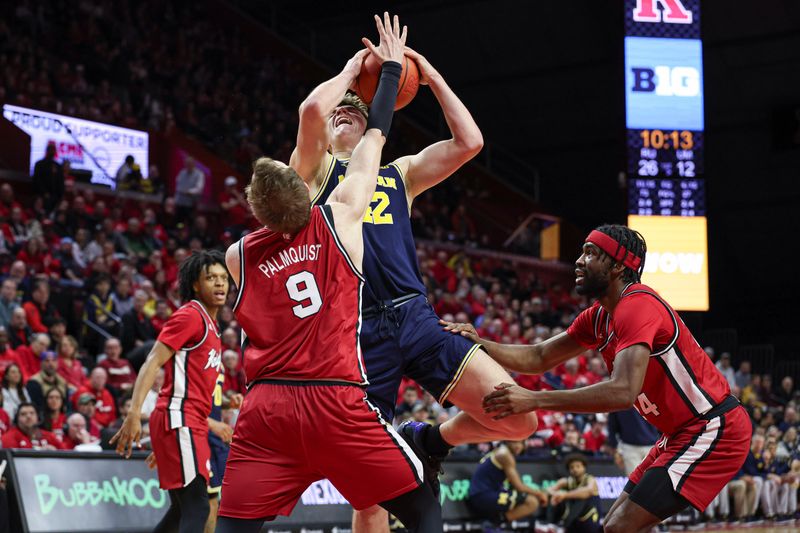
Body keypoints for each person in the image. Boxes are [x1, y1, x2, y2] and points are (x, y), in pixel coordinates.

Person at [290, 9, 535, 533]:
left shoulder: (398, 173)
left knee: (519, 418)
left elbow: (470, 144)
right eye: (344, 109)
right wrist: (360, 68)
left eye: (358, 109)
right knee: (371, 499)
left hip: (416, 317)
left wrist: (429, 73)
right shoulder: (311, 175)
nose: (348, 111)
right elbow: (314, 107)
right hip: (354, 333)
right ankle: (408, 450)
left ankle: (429, 440)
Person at [216, 14, 441, 533]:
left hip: (265, 406)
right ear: (303, 191)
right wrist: (385, 73)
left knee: (235, 526)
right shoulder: (338, 217)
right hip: (332, 396)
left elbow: (312, 114)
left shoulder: (238, 255)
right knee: (421, 503)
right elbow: (372, 139)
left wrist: (349, 73)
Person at [443, 224, 753, 531]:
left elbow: (622, 392)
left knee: (620, 526)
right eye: (582, 252)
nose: (579, 260)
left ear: (619, 265)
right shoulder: (599, 316)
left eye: (591, 254)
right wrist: (481, 344)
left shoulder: (638, 305)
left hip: (714, 427)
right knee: (613, 527)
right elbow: (539, 357)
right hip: (678, 434)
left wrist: (534, 399)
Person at [110, 250, 229, 533]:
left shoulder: (213, 326)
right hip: (179, 418)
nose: (220, 284)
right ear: (196, 284)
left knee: (182, 508)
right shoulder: (191, 315)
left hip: (187, 424)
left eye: (223, 278)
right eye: (211, 278)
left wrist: (167, 443)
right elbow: (152, 361)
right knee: (198, 506)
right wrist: (134, 412)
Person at [467, 440, 548, 524]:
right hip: (482, 495)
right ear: (507, 442)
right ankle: (496, 524)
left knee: (521, 495)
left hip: (482, 493)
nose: (518, 446)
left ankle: (498, 522)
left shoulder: (501, 450)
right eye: (515, 442)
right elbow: (519, 486)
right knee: (532, 502)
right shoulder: (504, 454)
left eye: (520, 443)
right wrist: (540, 493)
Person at [546, 453, 601, 533]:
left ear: (584, 467)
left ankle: (563, 525)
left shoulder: (590, 479)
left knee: (581, 498)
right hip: (574, 517)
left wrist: (564, 495)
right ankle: (552, 524)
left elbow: (587, 492)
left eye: (578, 466)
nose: (575, 469)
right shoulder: (566, 481)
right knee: (554, 497)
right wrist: (555, 495)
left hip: (590, 516)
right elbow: (548, 490)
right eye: (572, 467)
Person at [606, 408, 659, 476]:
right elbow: (612, 423)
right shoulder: (621, 399)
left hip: (652, 446)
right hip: (630, 447)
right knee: (635, 482)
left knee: (652, 482)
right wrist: (615, 448)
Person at [31, 143, 63, 213]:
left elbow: (60, 183)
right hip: (41, 195)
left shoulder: (58, 166)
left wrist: (60, 197)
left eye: (53, 150)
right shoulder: (39, 164)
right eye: (50, 150)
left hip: (55, 197)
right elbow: (37, 180)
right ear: (47, 151)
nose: (52, 152)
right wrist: (44, 193)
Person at [174, 157, 205, 223]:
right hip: (180, 203)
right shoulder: (182, 173)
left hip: (191, 204)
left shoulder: (199, 174)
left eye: (189, 164)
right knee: (179, 223)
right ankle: (180, 232)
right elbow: (178, 185)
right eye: (186, 164)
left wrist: (189, 192)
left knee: (190, 222)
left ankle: (189, 232)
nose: (188, 165)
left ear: (194, 164)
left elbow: (199, 188)